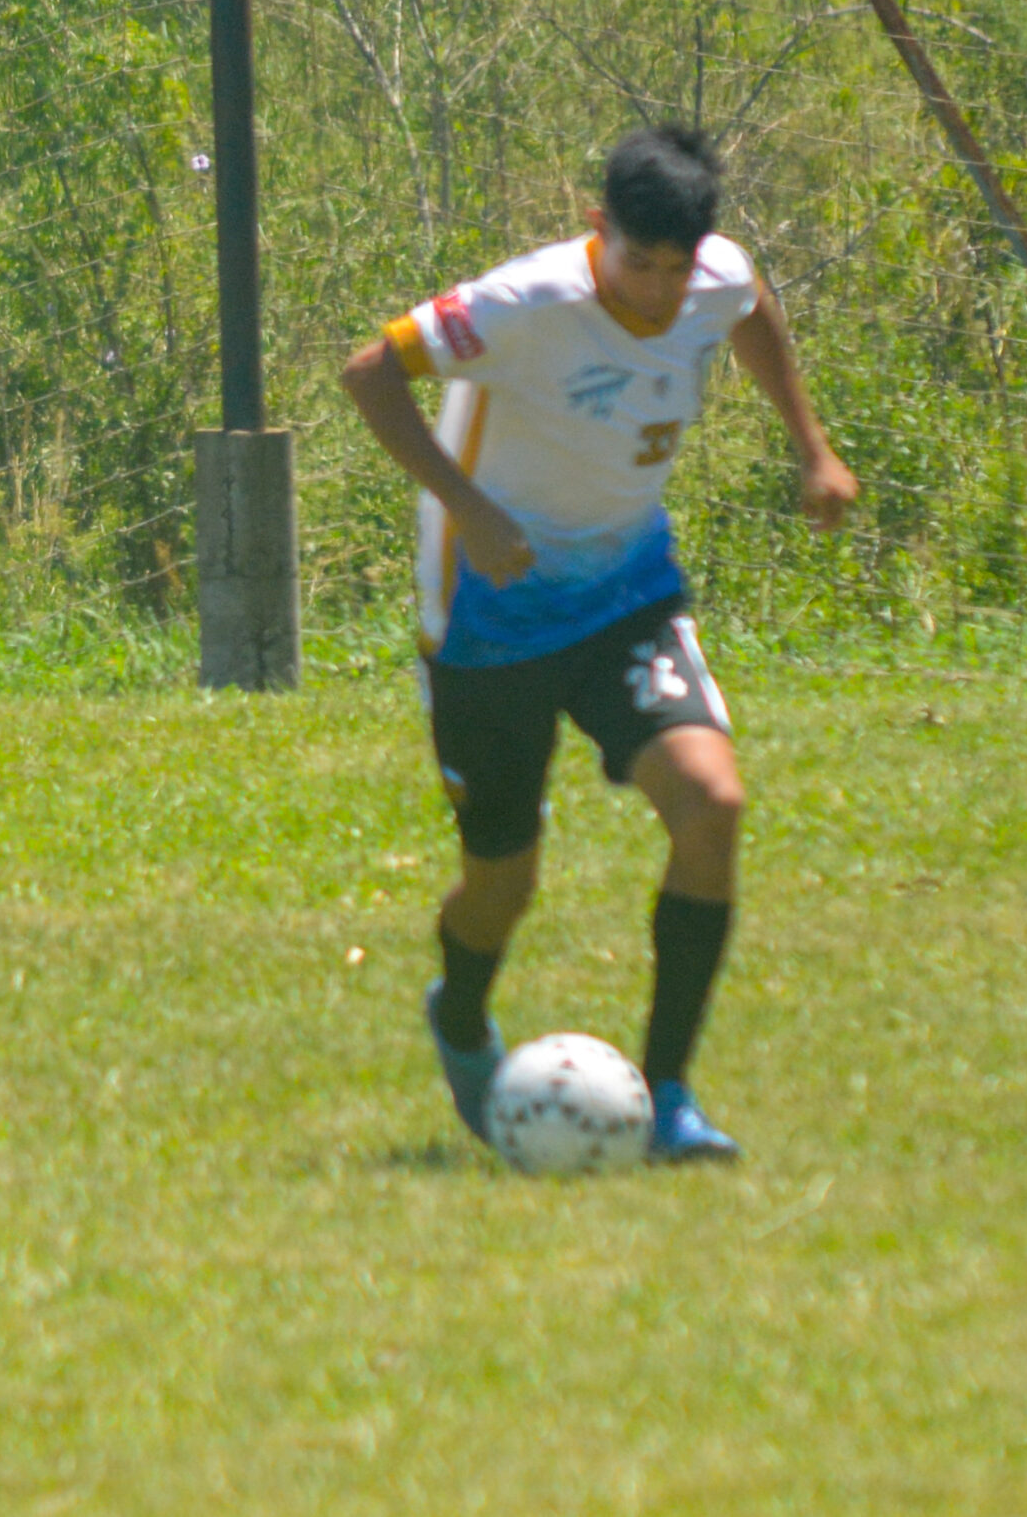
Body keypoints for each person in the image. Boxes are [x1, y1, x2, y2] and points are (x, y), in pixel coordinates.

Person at [340, 125, 856, 1161]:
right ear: (596, 228)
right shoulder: (523, 303)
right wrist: (470, 507)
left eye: (676, 268)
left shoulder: (714, 276)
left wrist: (813, 446)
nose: (660, 290)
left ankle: (668, 1096)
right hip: (489, 618)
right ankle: (460, 1013)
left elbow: (749, 306)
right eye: (639, 263)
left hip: (628, 594)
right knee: (503, 883)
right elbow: (370, 373)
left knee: (711, 802)